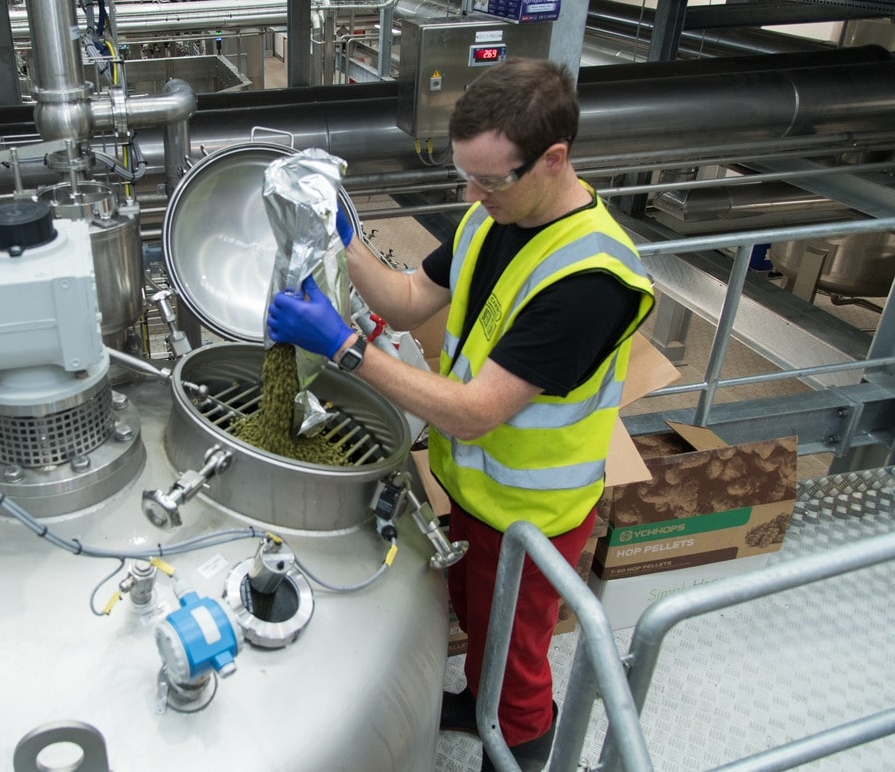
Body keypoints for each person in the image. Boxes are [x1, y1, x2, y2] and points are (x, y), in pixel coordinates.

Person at [266, 57, 655, 771]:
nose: (471, 193)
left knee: (518, 675)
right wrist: (342, 241)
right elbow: (413, 298)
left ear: (554, 158)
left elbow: (477, 412)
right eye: (464, 175)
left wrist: (343, 347)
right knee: (481, 629)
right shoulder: (491, 214)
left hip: (533, 520)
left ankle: (515, 747)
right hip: (475, 495)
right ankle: (477, 702)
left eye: (489, 178)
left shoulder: (590, 278)